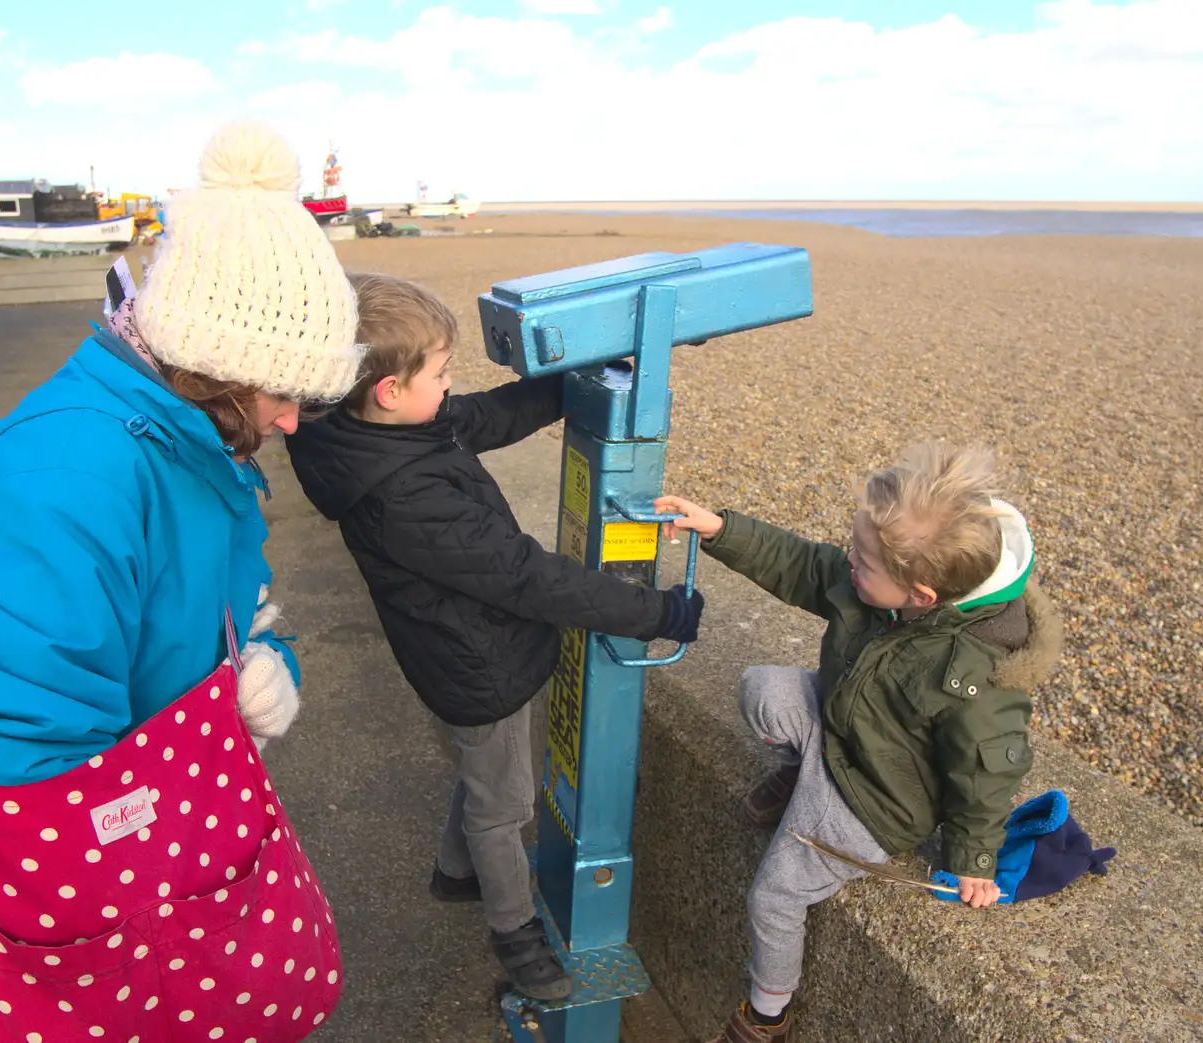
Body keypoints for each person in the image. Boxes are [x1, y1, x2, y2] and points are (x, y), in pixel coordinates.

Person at [0, 122, 360, 1038]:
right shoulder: (75, 482)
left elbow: (229, 601)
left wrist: (264, 656)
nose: (290, 419)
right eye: (281, 389)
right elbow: (26, 771)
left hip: (150, 847)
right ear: (209, 361)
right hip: (84, 901)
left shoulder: (188, 440)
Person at [285, 272, 705, 1000]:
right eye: (441, 372)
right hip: (477, 664)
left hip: (470, 651)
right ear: (388, 388)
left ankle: (455, 874)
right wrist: (655, 612)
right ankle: (514, 932)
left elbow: (484, 417)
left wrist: (566, 387)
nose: (450, 386)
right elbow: (528, 576)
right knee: (505, 804)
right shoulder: (404, 498)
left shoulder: (371, 431)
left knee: (487, 771)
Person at [655, 442, 1064, 1042]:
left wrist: (974, 859)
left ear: (921, 595)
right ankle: (802, 770)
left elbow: (987, 768)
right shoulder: (880, 585)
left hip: (874, 799)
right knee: (760, 689)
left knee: (774, 895)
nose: (850, 562)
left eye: (863, 561)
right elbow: (803, 566)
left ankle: (767, 1015)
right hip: (842, 728)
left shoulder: (973, 671)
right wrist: (719, 530)